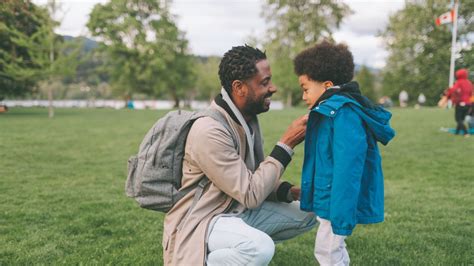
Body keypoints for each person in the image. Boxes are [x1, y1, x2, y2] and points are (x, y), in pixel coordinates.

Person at [162, 45, 317, 265]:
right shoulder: (209, 130)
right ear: (239, 87)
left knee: (309, 210)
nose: (273, 88)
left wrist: (290, 192)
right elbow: (251, 193)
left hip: (235, 209)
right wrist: (286, 144)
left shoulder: (247, 118)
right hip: (203, 220)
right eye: (264, 82)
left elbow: (254, 177)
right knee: (259, 248)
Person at [293, 41, 395, 266]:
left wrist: (341, 213)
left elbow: (348, 169)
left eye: (306, 88)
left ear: (327, 85)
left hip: (336, 203)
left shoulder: (343, 115)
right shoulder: (328, 112)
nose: (303, 96)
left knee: (328, 251)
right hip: (329, 199)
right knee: (331, 249)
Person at [444, 69, 473, 137]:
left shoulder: (459, 82)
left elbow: (453, 90)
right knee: (461, 119)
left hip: (460, 103)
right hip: (468, 104)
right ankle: (457, 132)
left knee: (458, 119)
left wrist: (448, 96)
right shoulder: (469, 83)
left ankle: (466, 133)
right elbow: (470, 93)